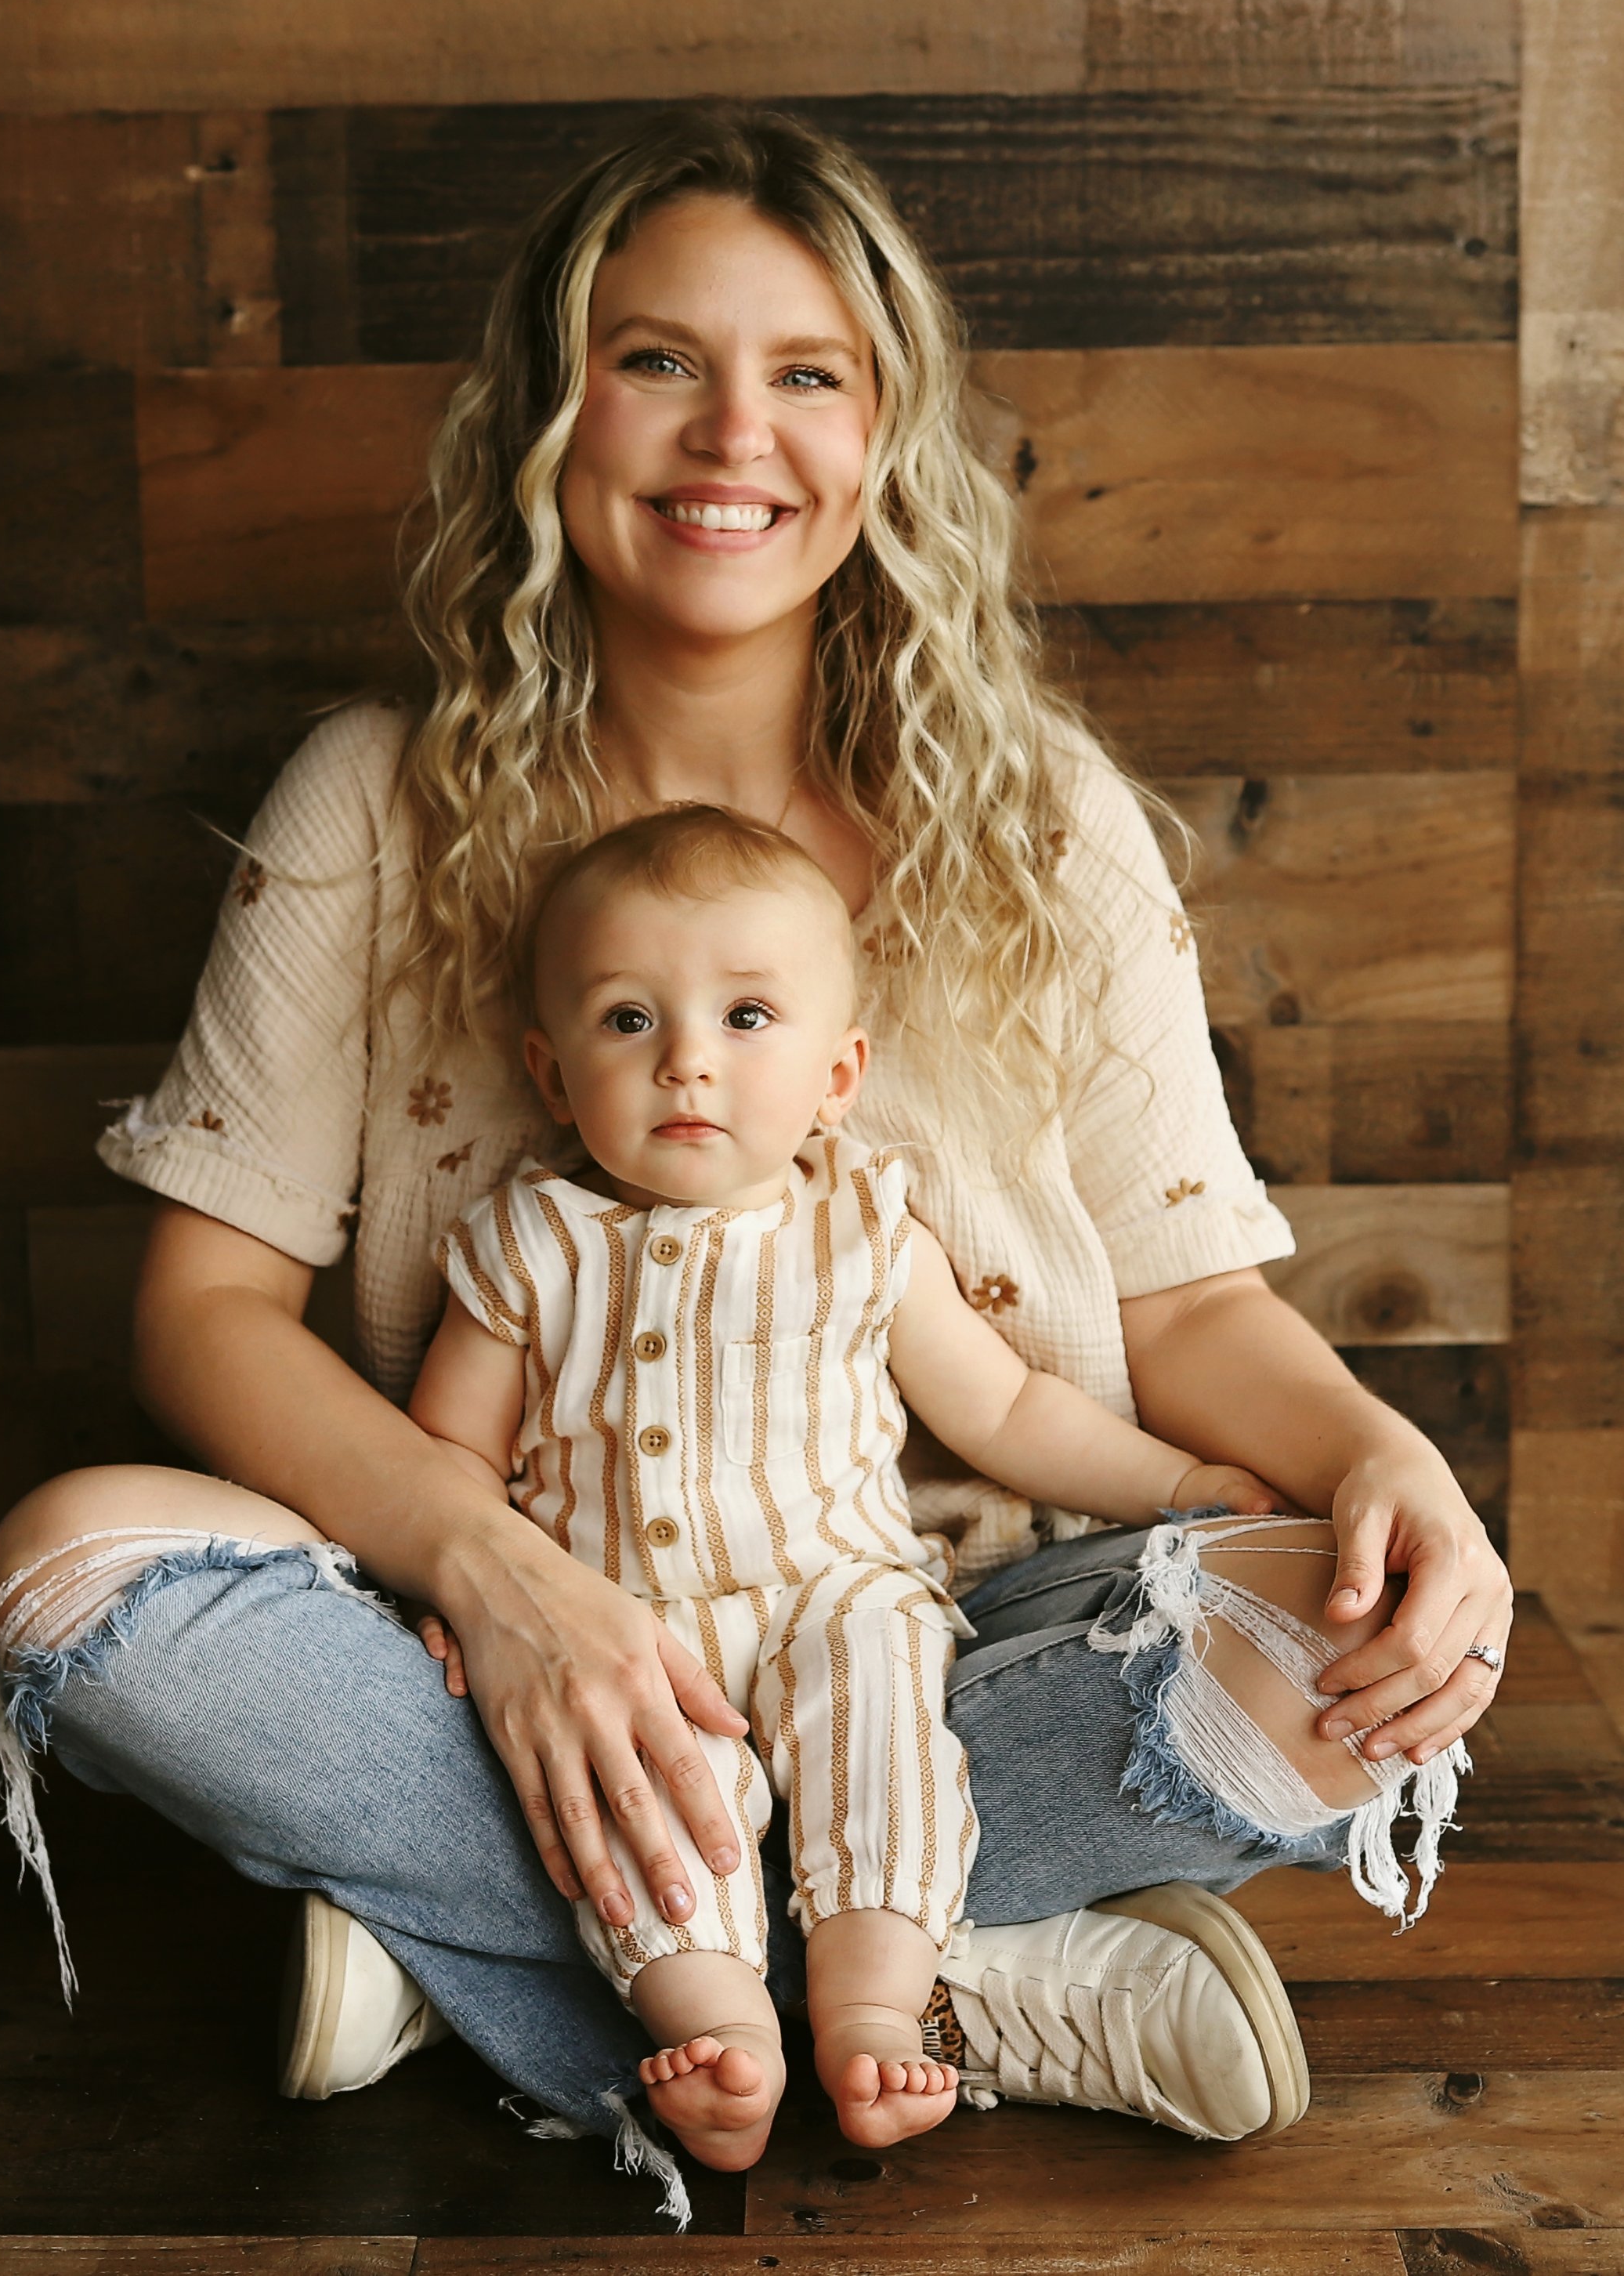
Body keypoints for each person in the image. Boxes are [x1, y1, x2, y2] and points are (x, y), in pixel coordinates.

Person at [0, 102, 1510, 2220]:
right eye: (657, 360)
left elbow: (1179, 1309)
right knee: (76, 1569)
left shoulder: (1037, 818)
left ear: (883, 437)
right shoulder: (373, 803)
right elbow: (202, 1306)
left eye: (807, 374)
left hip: (961, 1644)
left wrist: (1385, 1470)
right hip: (535, 1641)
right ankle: (947, 1974)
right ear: (549, 411)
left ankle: (508, 1960)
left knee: (1360, 1653)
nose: (732, 436)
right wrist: (505, 1591)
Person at [414, 799, 1291, 2169]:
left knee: (881, 1745)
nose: (689, 1062)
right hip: (628, 1627)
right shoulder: (534, 1244)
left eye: (747, 1017)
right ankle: (721, 2031)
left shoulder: (863, 1221)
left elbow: (1005, 1405)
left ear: (839, 1072)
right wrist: (457, 1585)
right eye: (630, 1020)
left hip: (842, 1595)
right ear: (549, 1064)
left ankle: (874, 2003)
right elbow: (449, 1456)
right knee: (651, 1795)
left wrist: (1181, 1477)